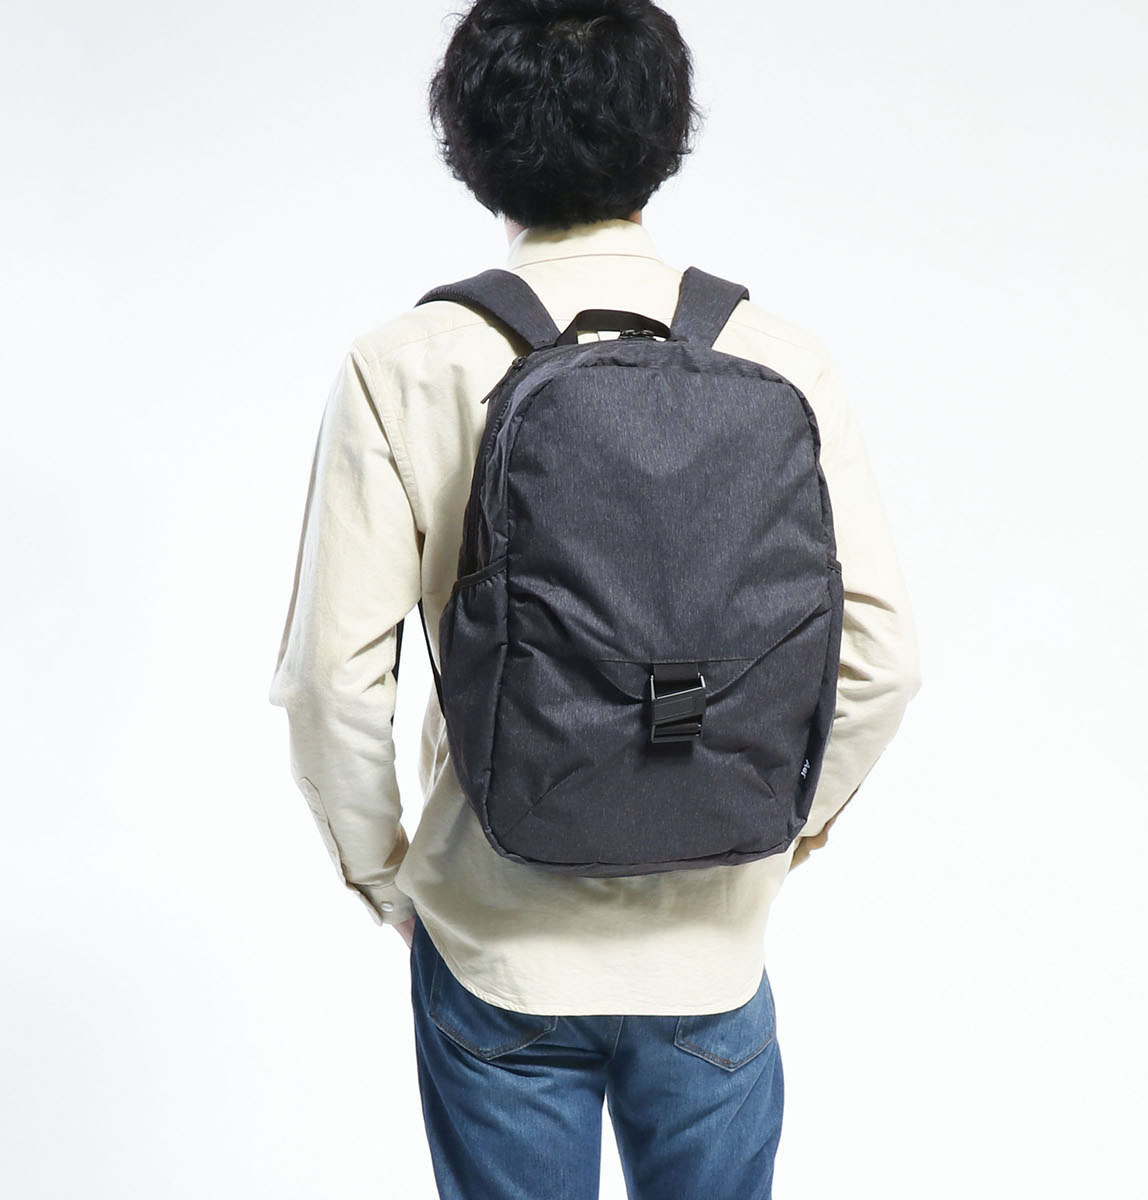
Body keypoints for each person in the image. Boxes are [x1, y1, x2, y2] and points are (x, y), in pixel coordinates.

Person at [269, 1, 921, 1196]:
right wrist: (776, 832)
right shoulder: (778, 356)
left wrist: (391, 878)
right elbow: (882, 661)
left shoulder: (404, 361)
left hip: (495, 941)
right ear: (666, 130)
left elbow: (331, 682)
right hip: (711, 953)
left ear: (472, 141)